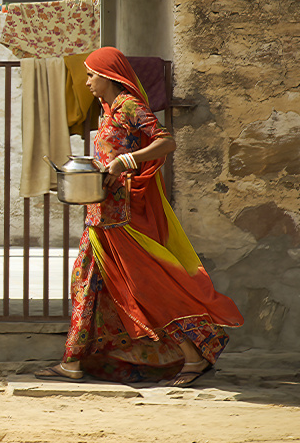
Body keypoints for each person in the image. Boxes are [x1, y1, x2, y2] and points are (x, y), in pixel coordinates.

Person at [35, 46, 243, 386]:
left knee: (146, 287)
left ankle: (194, 356)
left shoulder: (130, 107)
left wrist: (126, 161)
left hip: (124, 219)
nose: (86, 82)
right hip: (101, 215)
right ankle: (72, 362)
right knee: (86, 286)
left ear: (107, 77)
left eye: (90, 75)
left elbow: (166, 141)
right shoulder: (106, 113)